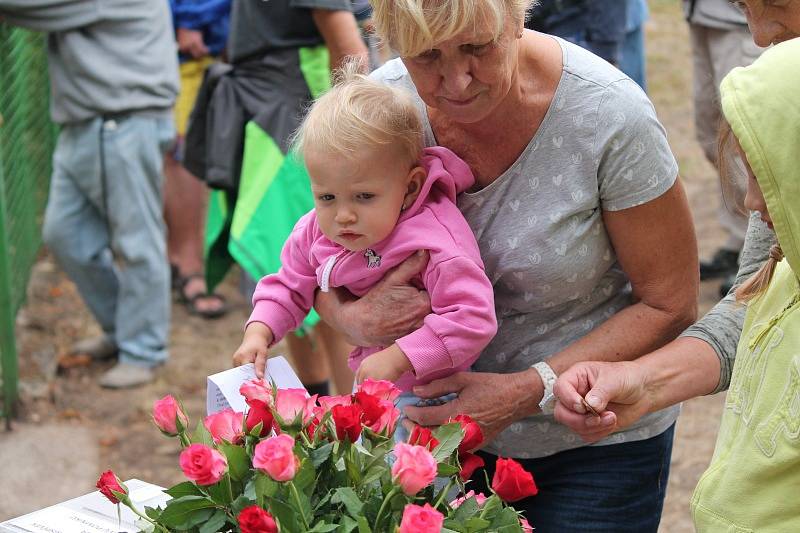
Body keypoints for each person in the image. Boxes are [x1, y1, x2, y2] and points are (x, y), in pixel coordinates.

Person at [311, 0, 699, 529]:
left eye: (476, 47)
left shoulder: (606, 115)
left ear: (515, 20)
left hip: (591, 442)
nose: (457, 80)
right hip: (433, 444)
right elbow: (317, 252)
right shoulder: (384, 105)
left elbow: (670, 302)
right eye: (427, 57)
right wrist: (348, 317)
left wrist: (524, 391)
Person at [560, 36, 800, 532]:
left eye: (773, 179)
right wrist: (642, 384)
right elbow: (745, 317)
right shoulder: (783, 268)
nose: (753, 204)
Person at [233, 70, 497, 417]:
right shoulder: (316, 229)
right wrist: (259, 331)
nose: (343, 215)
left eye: (364, 196)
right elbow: (288, 284)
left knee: (413, 471)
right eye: (326, 196)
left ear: (412, 187)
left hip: (432, 397)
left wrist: (398, 357)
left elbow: (473, 318)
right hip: (377, 390)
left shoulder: (433, 244)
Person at [185, 0, 369, 397]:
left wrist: (348, 140)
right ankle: (319, 414)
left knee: (328, 282)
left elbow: (350, 52)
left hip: (299, 122)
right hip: (267, 114)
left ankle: (356, 432)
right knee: (295, 274)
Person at [0, 0, 178, 388]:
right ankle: (123, 329)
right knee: (64, 234)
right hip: (85, 121)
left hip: (124, 121)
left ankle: (144, 349)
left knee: (137, 242)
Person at [686, 0, 764, 292]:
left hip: (742, 18)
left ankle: (758, 255)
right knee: (711, 132)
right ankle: (737, 239)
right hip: (700, 14)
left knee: (743, 140)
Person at [165, 0, 231, 319]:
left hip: (189, 48)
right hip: (170, 46)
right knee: (176, 158)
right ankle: (178, 262)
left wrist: (192, 19)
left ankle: (190, 265)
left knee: (183, 158)